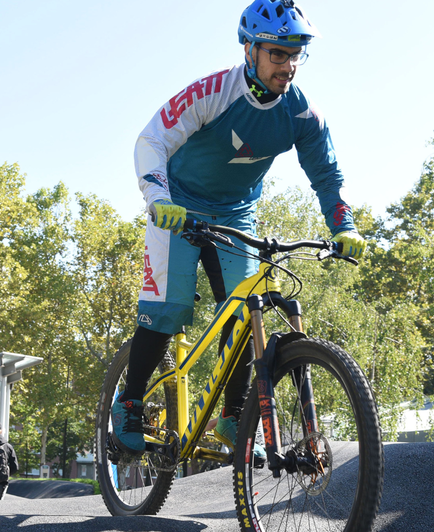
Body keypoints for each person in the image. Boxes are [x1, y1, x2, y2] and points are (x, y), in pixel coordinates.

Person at [112, 0, 366, 458]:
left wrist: (343, 224)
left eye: (296, 55)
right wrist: (159, 200)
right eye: (278, 54)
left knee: (246, 306)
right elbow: (152, 139)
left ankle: (233, 416)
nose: (288, 67)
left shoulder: (303, 112)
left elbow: (326, 174)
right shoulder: (214, 91)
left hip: (236, 213)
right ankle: (129, 401)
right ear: (249, 50)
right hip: (179, 205)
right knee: (168, 308)